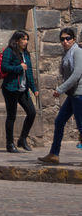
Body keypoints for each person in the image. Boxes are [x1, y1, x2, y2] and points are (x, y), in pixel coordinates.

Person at [38, 26, 82, 164]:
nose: (65, 41)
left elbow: (76, 74)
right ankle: (54, 154)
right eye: (62, 39)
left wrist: (61, 88)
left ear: (73, 39)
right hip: (72, 94)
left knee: (81, 125)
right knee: (59, 121)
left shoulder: (77, 52)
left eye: (68, 38)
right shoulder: (67, 53)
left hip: (79, 94)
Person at [0, 29, 38, 152]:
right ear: (17, 40)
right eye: (23, 39)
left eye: (27, 39)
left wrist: (34, 89)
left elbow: (30, 72)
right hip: (10, 88)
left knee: (32, 112)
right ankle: (9, 144)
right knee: (11, 116)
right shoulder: (9, 52)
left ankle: (22, 139)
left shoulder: (26, 54)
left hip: (23, 89)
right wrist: (18, 67)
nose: (26, 42)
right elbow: (4, 67)